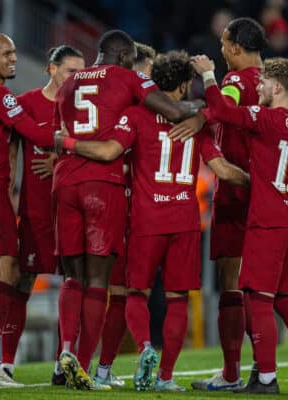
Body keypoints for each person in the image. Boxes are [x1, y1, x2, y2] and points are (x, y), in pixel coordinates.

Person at [57, 50, 249, 392]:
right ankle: (165, 377)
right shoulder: (196, 124)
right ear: (184, 84)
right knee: (177, 300)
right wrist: (256, 182)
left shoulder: (136, 115)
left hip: (146, 219)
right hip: (186, 219)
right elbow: (222, 171)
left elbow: (110, 152)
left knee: (134, 293)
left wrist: (64, 142)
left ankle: (145, 346)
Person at [192, 55, 288, 395]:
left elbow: (223, 113)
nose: (258, 87)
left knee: (258, 299)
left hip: (268, 222)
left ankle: (266, 378)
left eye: (264, 82)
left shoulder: (264, 119)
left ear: (278, 87)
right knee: (284, 298)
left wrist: (209, 75)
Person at [182, 18, 267, 392]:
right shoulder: (271, 80)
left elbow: (222, 106)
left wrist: (201, 110)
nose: (220, 49)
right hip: (268, 193)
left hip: (236, 191)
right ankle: (267, 370)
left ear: (235, 47)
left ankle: (231, 372)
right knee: (264, 288)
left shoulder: (233, 80)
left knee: (232, 287)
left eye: (223, 43)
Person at [0, 32, 57, 386]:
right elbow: (33, 133)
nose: (13, 59)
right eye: (6, 54)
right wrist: (75, 142)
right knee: (8, 273)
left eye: (15, 53)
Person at [0, 45, 85, 382]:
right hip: (35, 211)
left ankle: (61, 363)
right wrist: (9, 200)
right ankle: (6, 362)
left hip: (70, 211)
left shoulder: (83, 109)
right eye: (70, 72)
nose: (76, 79)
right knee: (22, 283)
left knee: (73, 284)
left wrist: (59, 161)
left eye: (81, 73)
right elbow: (11, 156)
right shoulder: (28, 104)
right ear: (51, 69)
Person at [93, 42, 157, 389]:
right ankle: (96, 363)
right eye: (147, 71)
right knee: (122, 292)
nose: (149, 80)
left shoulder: (125, 111)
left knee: (118, 293)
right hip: (132, 209)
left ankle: (102, 368)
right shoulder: (138, 112)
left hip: (126, 206)